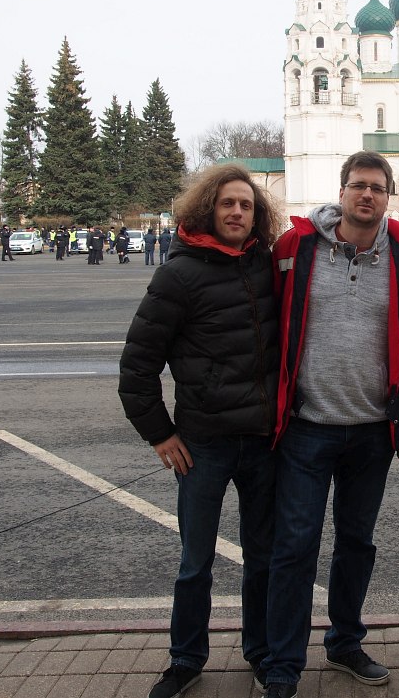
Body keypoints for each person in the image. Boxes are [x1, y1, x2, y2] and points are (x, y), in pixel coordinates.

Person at [260, 151, 399, 698]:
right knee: (295, 545)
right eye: (358, 186)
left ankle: (345, 642)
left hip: (371, 431)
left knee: (357, 542)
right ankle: (283, 663)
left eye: (378, 188)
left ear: (389, 196)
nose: (367, 196)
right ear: (341, 191)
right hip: (308, 426)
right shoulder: (296, 248)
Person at [119, 164, 282, 698]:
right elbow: (138, 366)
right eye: (228, 204)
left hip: (262, 442)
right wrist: (160, 434)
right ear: (207, 208)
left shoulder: (267, 266)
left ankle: (259, 653)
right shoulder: (179, 275)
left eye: (247, 205)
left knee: (262, 558)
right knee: (196, 562)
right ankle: (186, 658)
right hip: (203, 444)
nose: (237, 213)